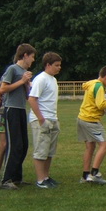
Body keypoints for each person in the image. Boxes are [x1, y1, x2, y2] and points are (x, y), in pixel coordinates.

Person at [0, 44, 36, 190]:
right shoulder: (12, 69)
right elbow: (3, 89)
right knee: (15, 145)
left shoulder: (24, 72)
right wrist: (21, 81)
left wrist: (27, 85)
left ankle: (16, 177)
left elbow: (26, 95)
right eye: (32, 57)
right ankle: (6, 179)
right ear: (25, 55)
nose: (33, 60)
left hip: (21, 109)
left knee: (23, 145)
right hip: (11, 109)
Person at [77, 65, 106, 184]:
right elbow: (101, 105)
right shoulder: (99, 86)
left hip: (82, 118)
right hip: (91, 120)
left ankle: (85, 175)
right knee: (104, 145)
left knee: (90, 147)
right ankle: (95, 173)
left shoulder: (92, 83)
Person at [28, 52, 62, 189]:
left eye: (59, 65)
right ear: (48, 65)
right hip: (41, 119)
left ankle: (46, 177)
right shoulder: (41, 79)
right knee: (41, 151)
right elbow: (32, 99)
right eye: (56, 65)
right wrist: (41, 119)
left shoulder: (53, 79)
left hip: (52, 118)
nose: (59, 68)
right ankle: (40, 180)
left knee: (49, 151)